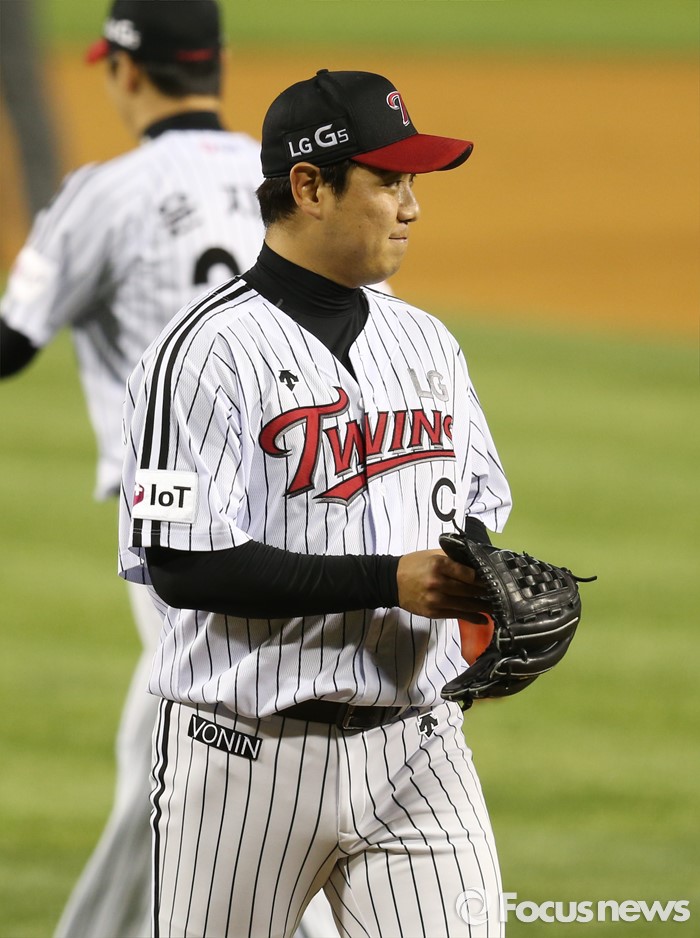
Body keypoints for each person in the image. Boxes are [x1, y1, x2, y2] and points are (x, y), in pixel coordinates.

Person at [118, 67, 512, 938]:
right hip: (243, 759)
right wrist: (387, 579)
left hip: (418, 750)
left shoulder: (428, 344)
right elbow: (181, 563)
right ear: (309, 186)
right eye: (389, 181)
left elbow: (469, 519)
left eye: (412, 183)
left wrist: (490, 600)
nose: (412, 207)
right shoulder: (202, 353)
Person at [0, 1, 328, 935]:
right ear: (213, 62)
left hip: (184, 527)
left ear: (126, 70)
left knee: (220, 756)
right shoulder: (293, 186)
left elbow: (11, 344)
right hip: (317, 501)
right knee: (185, 747)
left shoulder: (104, 194)